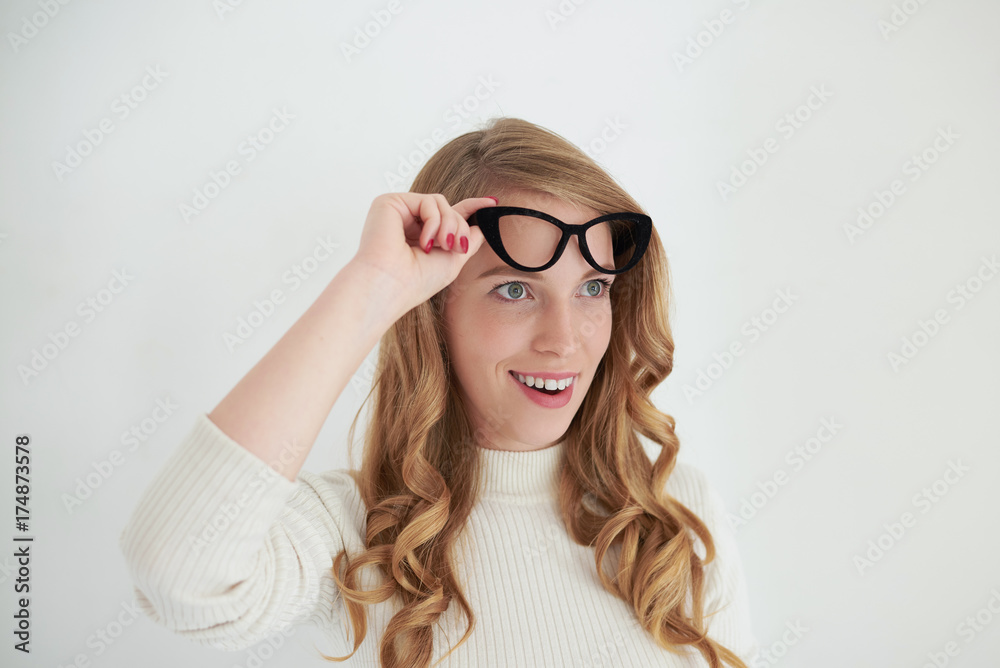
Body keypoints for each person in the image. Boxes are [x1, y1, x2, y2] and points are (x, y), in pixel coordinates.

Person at [118, 117, 759, 667]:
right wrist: (373, 284)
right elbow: (180, 574)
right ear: (433, 310)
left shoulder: (675, 520)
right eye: (514, 289)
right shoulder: (357, 531)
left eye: (592, 289)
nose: (564, 341)